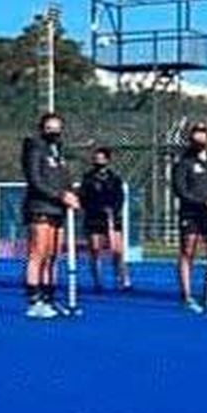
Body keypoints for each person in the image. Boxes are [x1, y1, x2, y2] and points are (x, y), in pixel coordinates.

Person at [21, 113, 76, 320]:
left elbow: (65, 178)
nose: (54, 132)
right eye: (49, 128)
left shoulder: (58, 151)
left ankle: (49, 298)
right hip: (40, 207)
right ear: (42, 128)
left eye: (57, 128)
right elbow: (35, 180)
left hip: (58, 210)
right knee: (38, 253)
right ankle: (34, 301)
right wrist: (59, 195)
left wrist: (71, 194)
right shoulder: (35, 148)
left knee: (53, 256)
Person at [172, 123, 207, 313]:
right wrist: (204, 202)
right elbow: (181, 190)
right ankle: (186, 296)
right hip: (191, 214)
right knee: (188, 252)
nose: (200, 139)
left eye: (203, 135)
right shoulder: (183, 163)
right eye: (196, 136)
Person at [80, 147, 131, 292]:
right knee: (95, 250)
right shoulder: (88, 178)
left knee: (117, 250)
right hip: (94, 219)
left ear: (107, 160)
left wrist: (112, 211)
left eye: (102, 159)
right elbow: (84, 198)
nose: (99, 161)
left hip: (112, 218)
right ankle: (97, 281)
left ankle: (123, 278)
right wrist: (96, 209)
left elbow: (120, 198)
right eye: (96, 159)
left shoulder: (115, 179)